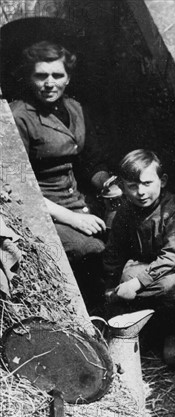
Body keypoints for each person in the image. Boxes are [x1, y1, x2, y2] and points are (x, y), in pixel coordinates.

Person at [10, 41, 114, 305]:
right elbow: (21, 187)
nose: (49, 83)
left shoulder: (75, 109)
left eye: (57, 75)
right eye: (41, 75)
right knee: (92, 250)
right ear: (29, 77)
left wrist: (108, 184)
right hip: (46, 210)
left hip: (80, 201)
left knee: (126, 230)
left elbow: (90, 162)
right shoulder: (19, 118)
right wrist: (71, 218)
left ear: (68, 78)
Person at [103, 149, 175, 369]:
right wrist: (110, 285)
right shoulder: (124, 212)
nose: (141, 192)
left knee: (172, 286)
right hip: (140, 268)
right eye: (132, 186)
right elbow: (114, 250)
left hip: (171, 271)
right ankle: (139, 331)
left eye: (147, 183)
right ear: (123, 187)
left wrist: (137, 282)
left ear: (162, 181)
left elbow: (173, 255)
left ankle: (174, 333)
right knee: (125, 275)